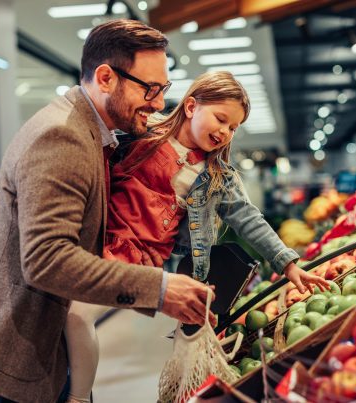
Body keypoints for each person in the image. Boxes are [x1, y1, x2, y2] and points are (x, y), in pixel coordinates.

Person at [0, 19, 215, 403]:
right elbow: (46, 259)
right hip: (12, 365)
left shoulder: (93, 133)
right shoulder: (63, 137)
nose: (159, 103)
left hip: (42, 353)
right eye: (150, 89)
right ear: (106, 78)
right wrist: (158, 289)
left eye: (164, 89)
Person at [64, 71, 330, 403]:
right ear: (191, 106)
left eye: (233, 127)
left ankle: (77, 398)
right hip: (94, 240)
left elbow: (249, 219)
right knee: (66, 316)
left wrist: (288, 263)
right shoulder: (142, 135)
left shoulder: (217, 176)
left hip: (139, 260)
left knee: (77, 314)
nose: (225, 131)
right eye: (221, 118)